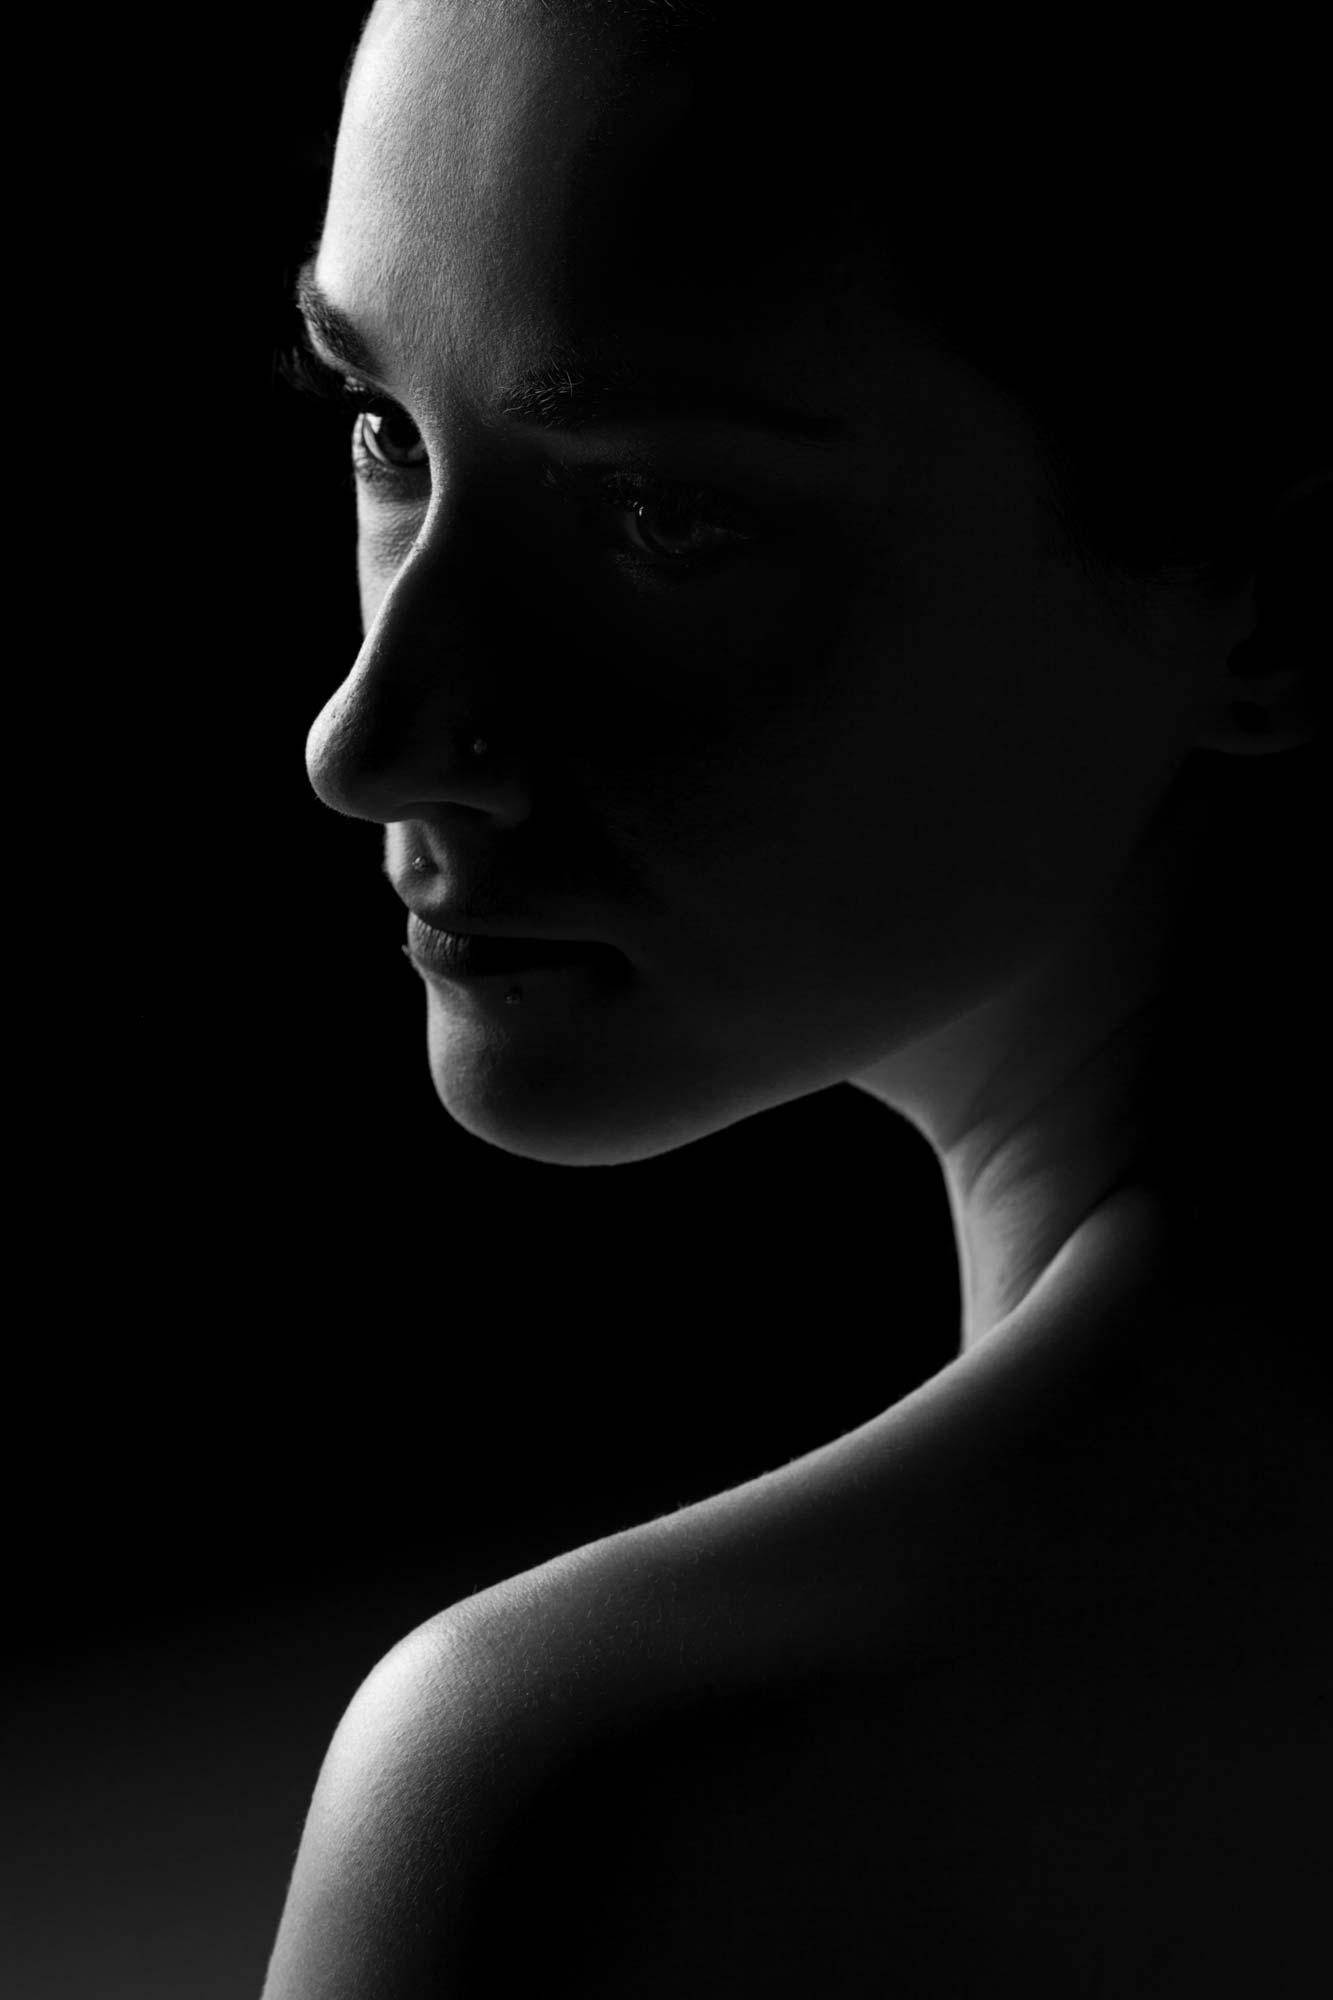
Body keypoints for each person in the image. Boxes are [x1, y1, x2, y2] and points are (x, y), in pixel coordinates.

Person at [263, 3, 1329, 1992]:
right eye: (389, 432)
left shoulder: (589, 1802)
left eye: (662, 513)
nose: (370, 733)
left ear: (1277, 593)